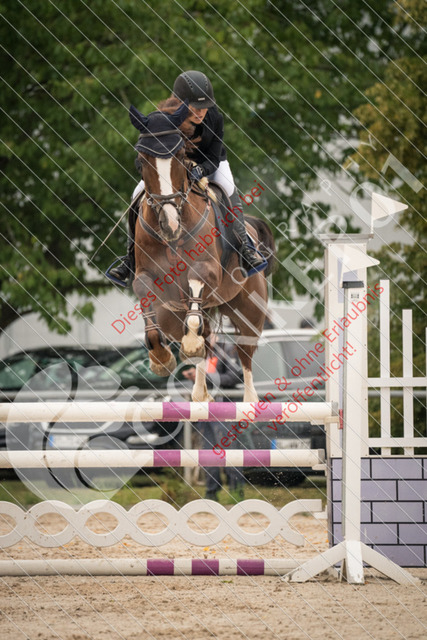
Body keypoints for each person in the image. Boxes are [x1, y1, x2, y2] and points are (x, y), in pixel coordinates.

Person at [109, 69, 264, 284]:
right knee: (137, 193)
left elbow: (214, 156)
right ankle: (130, 258)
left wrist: (201, 170)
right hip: (174, 168)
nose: (201, 112)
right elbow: (145, 155)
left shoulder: (215, 118)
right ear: (180, 104)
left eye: (205, 107)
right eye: (195, 107)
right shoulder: (163, 119)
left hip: (210, 163)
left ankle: (245, 248)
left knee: (228, 188)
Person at [183, 336, 246, 502]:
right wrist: (196, 377)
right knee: (207, 451)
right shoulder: (203, 352)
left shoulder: (227, 348)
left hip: (224, 409)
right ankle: (211, 491)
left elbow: (235, 376)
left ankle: (237, 490)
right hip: (205, 410)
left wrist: (202, 377)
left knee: (229, 450)